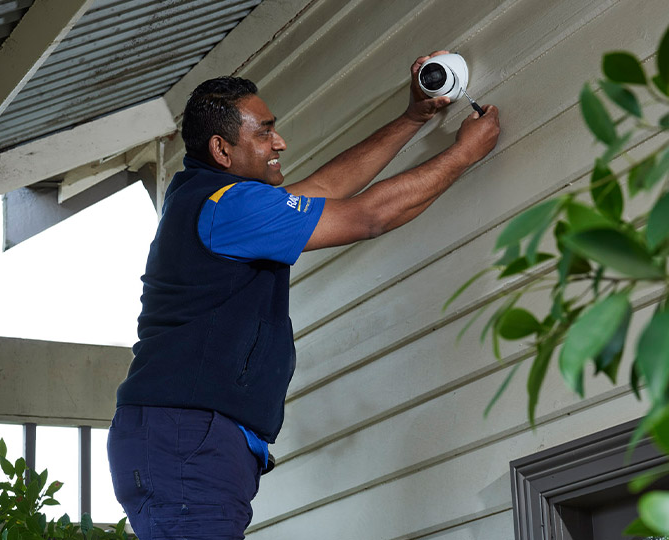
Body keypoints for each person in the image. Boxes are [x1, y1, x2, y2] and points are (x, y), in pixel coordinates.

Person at [107, 51, 500, 540]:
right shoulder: (226, 208)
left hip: (189, 435)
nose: (280, 142)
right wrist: (464, 153)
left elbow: (323, 189)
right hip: (188, 435)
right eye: (264, 132)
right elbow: (367, 216)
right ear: (222, 151)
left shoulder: (214, 198)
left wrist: (413, 119)